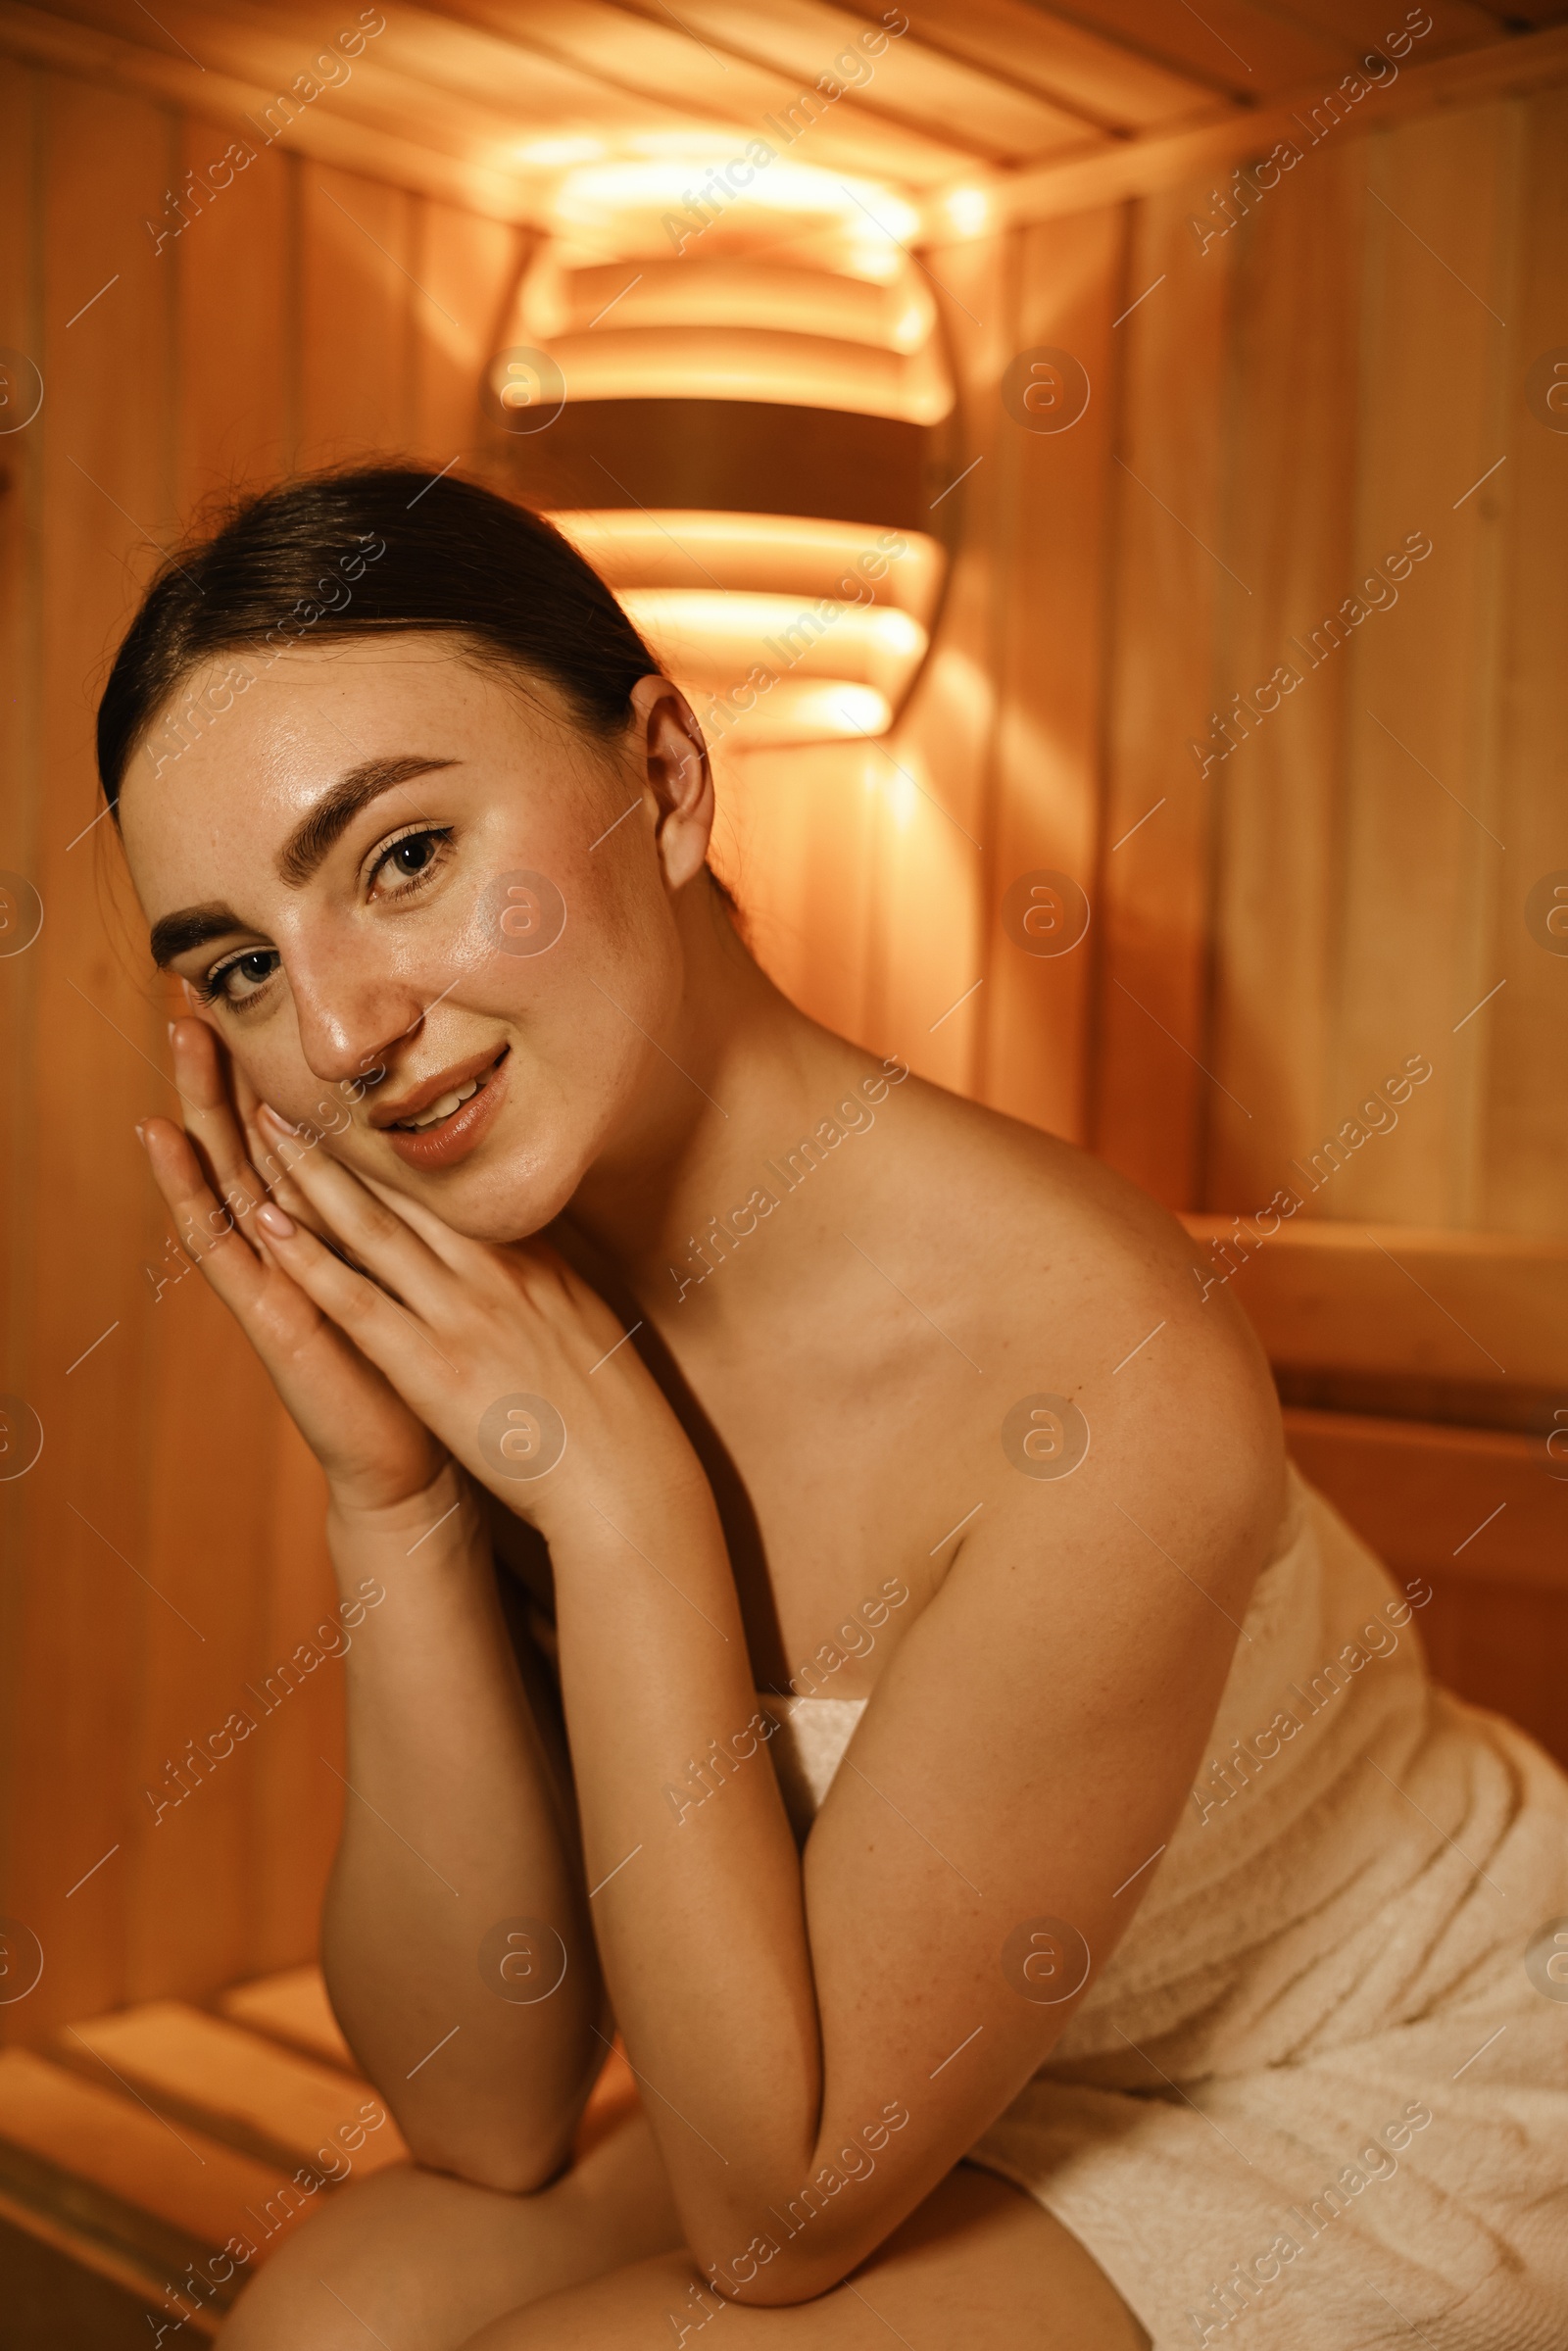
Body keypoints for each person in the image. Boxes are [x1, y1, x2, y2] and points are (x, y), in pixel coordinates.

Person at [102, 469, 1568, 2351]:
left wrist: (624, 1507)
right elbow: (484, 2107)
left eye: (402, 861)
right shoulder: (504, 1296)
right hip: (929, 2057)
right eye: (240, 966)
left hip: (1397, 2056)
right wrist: (391, 1502)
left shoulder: (1092, 1356)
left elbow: (771, 2223)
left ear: (670, 782)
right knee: (330, 2316)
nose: (336, 1037)